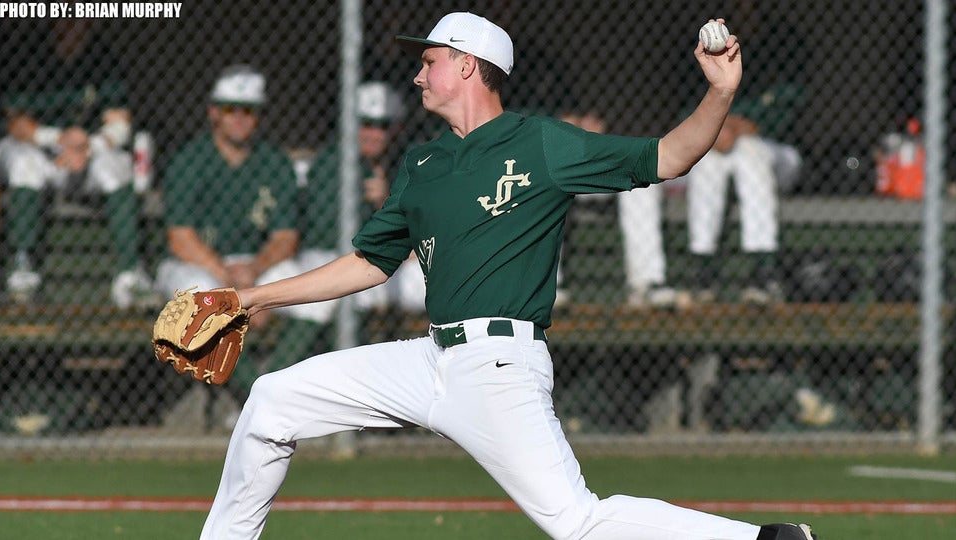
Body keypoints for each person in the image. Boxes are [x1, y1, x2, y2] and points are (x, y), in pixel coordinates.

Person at [199, 13, 816, 540]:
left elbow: (669, 156)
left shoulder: (541, 142)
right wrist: (251, 298)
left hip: (499, 366)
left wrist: (719, 93)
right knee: (272, 402)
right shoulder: (423, 161)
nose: (417, 75)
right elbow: (369, 262)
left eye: (430, 62)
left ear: (468, 65)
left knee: (577, 523)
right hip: (428, 358)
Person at [154, 65, 319, 400]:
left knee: (316, 297)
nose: (240, 118)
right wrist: (235, 287)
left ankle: (266, 389)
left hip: (255, 266)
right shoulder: (190, 159)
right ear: (214, 112)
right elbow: (180, 238)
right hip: (199, 266)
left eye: (249, 110)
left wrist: (255, 277)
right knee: (199, 298)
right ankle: (254, 396)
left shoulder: (274, 162)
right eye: (231, 109)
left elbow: (286, 238)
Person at [0, 18, 152, 307]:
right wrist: (58, 138)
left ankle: (130, 271)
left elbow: (119, 122)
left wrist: (90, 145)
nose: (70, 21)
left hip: (85, 153)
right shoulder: (30, 54)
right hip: (40, 149)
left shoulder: (102, 57)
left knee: (118, 164)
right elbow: (16, 123)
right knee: (24, 161)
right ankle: (23, 265)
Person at [300, 81, 425, 317]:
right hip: (328, 254)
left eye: (382, 126)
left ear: (396, 129)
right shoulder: (331, 161)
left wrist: (384, 202)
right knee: (340, 296)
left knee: (421, 281)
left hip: (388, 257)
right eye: (366, 124)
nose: (373, 134)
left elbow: (424, 228)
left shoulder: (409, 161)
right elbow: (328, 231)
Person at [561, 109, 685, 308]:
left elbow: (653, 121)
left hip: (621, 154)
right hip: (576, 152)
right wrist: (572, 125)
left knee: (642, 189)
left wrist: (606, 128)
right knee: (551, 186)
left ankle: (647, 282)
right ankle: (552, 284)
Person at [684, 112, 787, 304]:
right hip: (711, 138)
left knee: (750, 152)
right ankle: (703, 267)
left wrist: (740, 126)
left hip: (774, 147)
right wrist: (714, 130)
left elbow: (787, 112)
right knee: (706, 160)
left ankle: (763, 270)